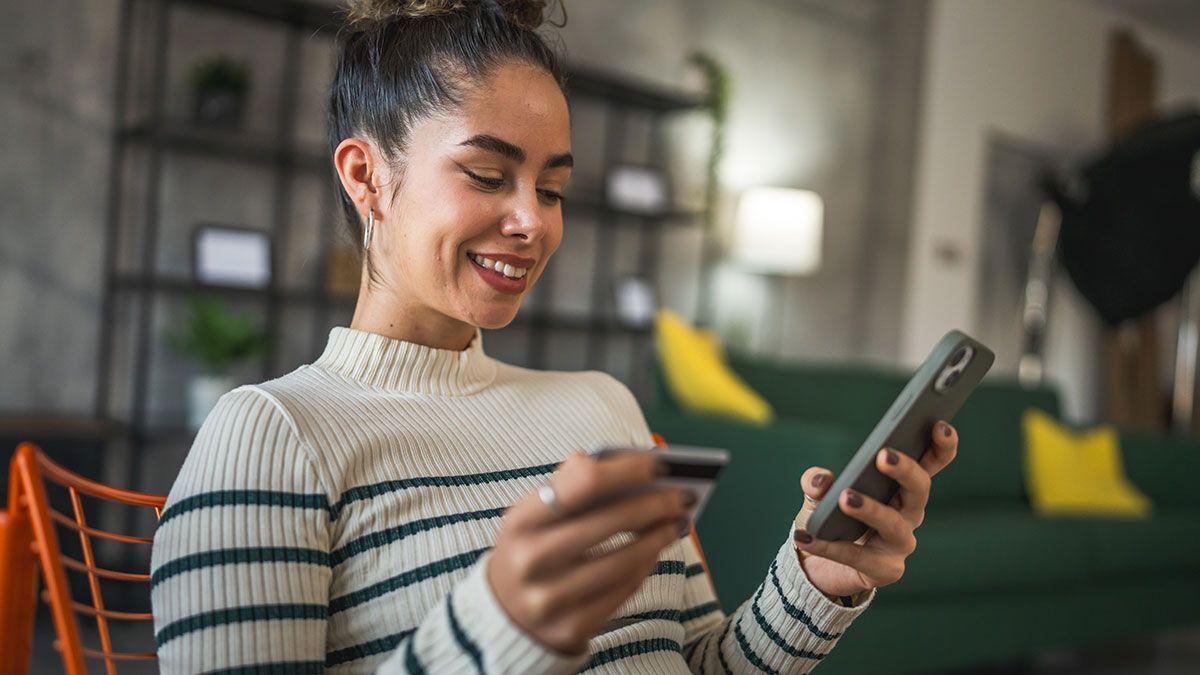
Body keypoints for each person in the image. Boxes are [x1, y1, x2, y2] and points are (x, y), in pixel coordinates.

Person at [150, 1, 960, 672]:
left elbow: (699, 662)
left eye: (554, 186)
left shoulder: (603, 407)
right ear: (366, 175)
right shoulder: (275, 435)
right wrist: (494, 624)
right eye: (486, 174)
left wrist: (817, 578)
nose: (532, 221)